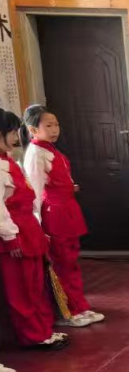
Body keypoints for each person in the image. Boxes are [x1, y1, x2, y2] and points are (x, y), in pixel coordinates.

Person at [21, 104, 104, 327]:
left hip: (67, 210)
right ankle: (68, 311)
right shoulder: (35, 153)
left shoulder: (50, 149)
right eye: (48, 125)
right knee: (62, 264)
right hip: (54, 214)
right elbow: (35, 193)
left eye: (56, 124)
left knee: (71, 262)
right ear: (33, 129)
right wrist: (37, 225)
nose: (55, 129)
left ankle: (79, 306)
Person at [0, 110, 68, 350]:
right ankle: (33, 335)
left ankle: (42, 329)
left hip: (28, 230)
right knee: (21, 290)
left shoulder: (8, 161)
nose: (15, 137)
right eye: (10, 132)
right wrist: (10, 237)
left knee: (35, 285)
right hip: (15, 235)